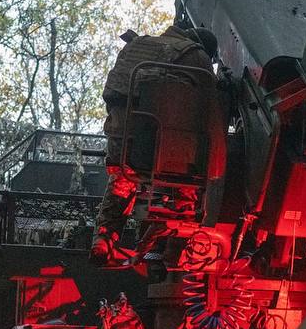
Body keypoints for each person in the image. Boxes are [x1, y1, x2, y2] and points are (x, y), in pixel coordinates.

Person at [91, 22, 218, 264]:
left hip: (123, 141)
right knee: (190, 187)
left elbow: (112, 92)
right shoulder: (198, 57)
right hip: (168, 150)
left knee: (122, 182)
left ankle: (103, 239)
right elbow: (211, 107)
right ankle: (173, 248)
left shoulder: (137, 45)